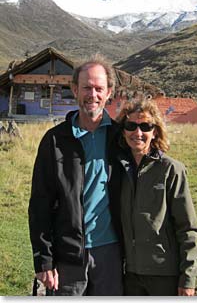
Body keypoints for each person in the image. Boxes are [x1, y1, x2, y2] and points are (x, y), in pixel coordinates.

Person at [28, 54, 123, 296]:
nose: (93, 95)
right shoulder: (54, 140)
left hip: (112, 256)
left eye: (99, 88)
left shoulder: (121, 138)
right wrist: (43, 260)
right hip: (66, 258)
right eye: (86, 88)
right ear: (74, 89)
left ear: (109, 91)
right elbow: (40, 203)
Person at [115, 98, 197, 296]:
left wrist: (188, 278)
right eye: (131, 126)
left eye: (145, 126)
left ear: (155, 132)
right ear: (123, 130)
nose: (138, 133)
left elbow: (187, 227)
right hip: (130, 274)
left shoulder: (171, 170)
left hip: (164, 275)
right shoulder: (117, 170)